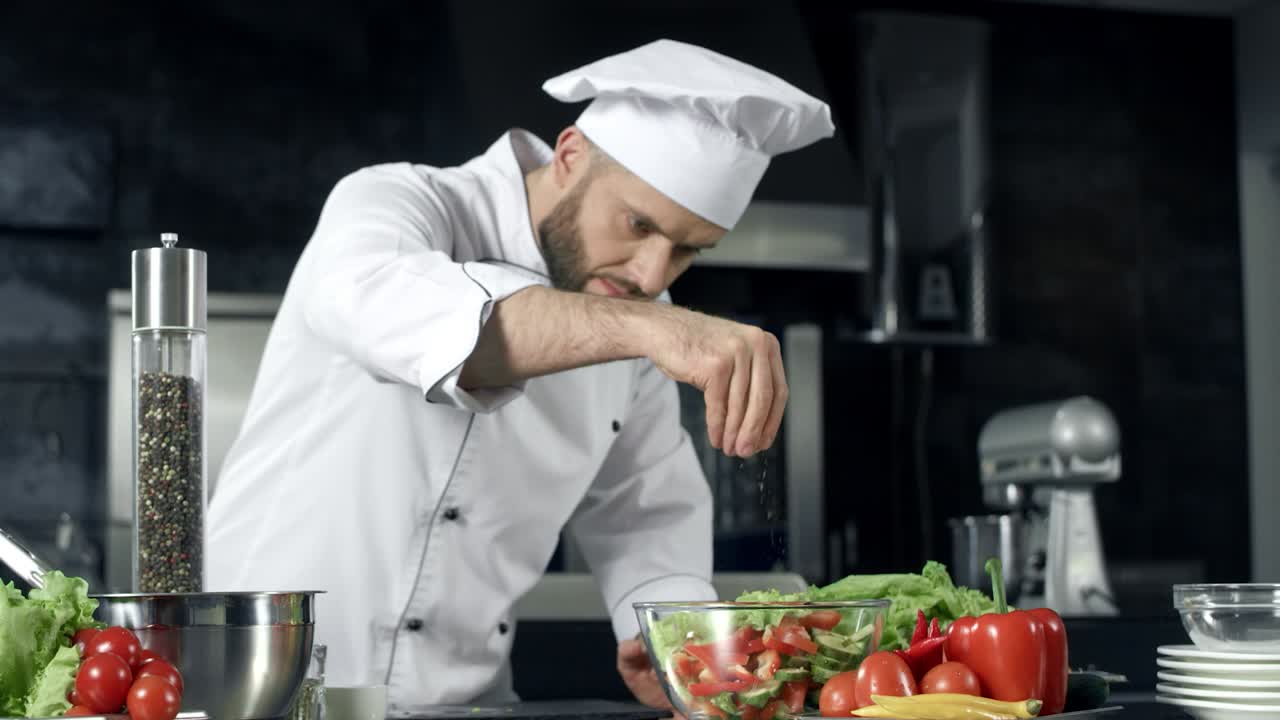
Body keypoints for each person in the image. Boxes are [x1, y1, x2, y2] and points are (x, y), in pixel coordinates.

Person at [206, 39, 834, 711]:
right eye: (637, 224)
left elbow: (644, 500)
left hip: (464, 700)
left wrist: (669, 631)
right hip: (261, 685)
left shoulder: (638, 312)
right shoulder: (398, 202)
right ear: (570, 155)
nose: (652, 273)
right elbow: (391, 311)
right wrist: (654, 328)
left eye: (687, 251)